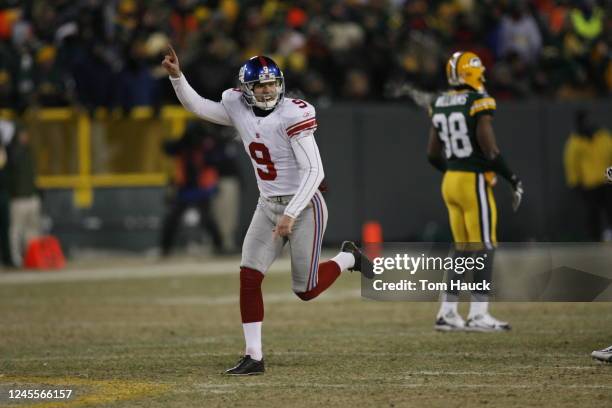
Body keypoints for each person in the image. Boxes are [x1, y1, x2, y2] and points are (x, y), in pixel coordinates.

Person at [162, 47, 373, 375]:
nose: (267, 90)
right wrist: (177, 77)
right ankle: (254, 355)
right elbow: (200, 107)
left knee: (305, 290)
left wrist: (290, 213)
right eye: (260, 86)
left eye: (272, 84)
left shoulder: (294, 113)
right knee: (249, 275)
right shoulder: (236, 105)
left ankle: (349, 258)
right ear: (246, 89)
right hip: (267, 204)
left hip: (303, 205)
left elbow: (314, 172)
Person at [426, 51, 524, 332]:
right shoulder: (478, 101)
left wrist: (455, 171)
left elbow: (432, 154)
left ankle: (447, 312)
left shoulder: (439, 102)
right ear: (473, 73)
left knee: (462, 249)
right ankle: (479, 314)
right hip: (472, 181)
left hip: (451, 181)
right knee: (485, 246)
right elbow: (490, 149)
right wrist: (512, 178)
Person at [160, 122, 223, 257]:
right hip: (184, 189)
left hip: (201, 189)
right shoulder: (183, 145)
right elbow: (167, 147)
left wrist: (208, 143)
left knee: (207, 219)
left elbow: (215, 158)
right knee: (172, 219)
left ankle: (219, 247)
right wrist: (183, 140)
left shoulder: (207, 146)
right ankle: (165, 249)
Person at [563, 110, 612, 241]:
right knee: (592, 213)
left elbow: (610, 158)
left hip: (606, 181)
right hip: (588, 184)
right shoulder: (575, 142)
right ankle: (595, 239)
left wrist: (610, 179)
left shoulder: (603, 137)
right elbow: (571, 164)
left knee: (610, 208)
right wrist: (575, 183)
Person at [7, 125, 41, 267]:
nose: (24, 137)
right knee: (16, 230)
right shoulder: (11, 151)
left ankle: (31, 257)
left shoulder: (28, 151)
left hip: (31, 197)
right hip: (18, 198)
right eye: (22, 134)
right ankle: (16, 258)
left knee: (32, 231)